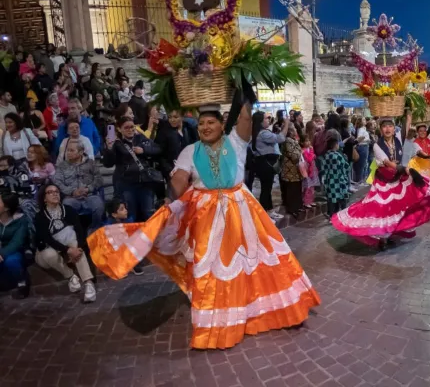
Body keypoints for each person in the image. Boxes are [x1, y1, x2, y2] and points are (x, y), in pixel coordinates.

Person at [87, 95, 321, 350]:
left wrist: (240, 77)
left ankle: (262, 310)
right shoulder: (190, 151)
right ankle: (217, 321)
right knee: (209, 268)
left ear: (222, 124)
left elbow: (244, 115)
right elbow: (179, 180)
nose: (206, 127)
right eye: (201, 124)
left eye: (211, 122)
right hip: (206, 216)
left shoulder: (236, 141)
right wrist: (168, 201)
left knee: (255, 262)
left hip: (242, 209)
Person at [331, 117, 430, 250]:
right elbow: (387, 162)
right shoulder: (377, 145)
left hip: (397, 179)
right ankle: (382, 238)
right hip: (383, 183)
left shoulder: (399, 140)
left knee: (397, 207)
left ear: (394, 129)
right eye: (384, 127)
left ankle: (390, 234)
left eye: (390, 126)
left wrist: (409, 113)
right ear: (381, 130)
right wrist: (405, 169)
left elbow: (407, 126)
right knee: (381, 209)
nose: (387, 129)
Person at [34, 182, 96, 303]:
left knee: (74, 242)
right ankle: (71, 276)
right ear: (44, 198)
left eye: (56, 192)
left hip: (70, 244)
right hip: (48, 249)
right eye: (50, 192)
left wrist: (78, 248)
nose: (54, 194)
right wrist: (67, 250)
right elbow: (47, 239)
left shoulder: (69, 210)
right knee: (49, 254)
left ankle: (88, 283)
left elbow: (79, 230)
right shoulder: (40, 216)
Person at [102, 116, 161, 222]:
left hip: (145, 182)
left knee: (149, 213)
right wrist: (109, 148)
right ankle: (132, 238)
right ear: (119, 129)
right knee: (130, 214)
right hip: (127, 184)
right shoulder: (116, 143)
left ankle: (151, 237)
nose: (130, 130)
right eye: (126, 128)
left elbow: (157, 149)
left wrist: (143, 150)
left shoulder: (140, 138)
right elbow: (108, 164)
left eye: (132, 127)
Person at [54, 140, 104, 233]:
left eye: (71, 150)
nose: (68, 153)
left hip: (90, 196)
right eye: (67, 150)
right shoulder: (62, 165)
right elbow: (58, 182)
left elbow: (99, 179)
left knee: (98, 205)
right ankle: (75, 232)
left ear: (81, 152)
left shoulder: (91, 163)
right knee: (67, 206)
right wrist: (72, 191)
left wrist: (88, 189)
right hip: (71, 197)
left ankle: (94, 229)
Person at [249, 111, 286, 219]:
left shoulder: (258, 132)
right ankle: (265, 212)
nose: (268, 120)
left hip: (262, 163)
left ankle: (269, 210)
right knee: (266, 189)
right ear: (260, 121)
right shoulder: (263, 133)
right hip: (265, 164)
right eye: (266, 118)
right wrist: (286, 126)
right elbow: (280, 139)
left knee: (267, 188)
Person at [156, 109, 199, 198]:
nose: (172, 120)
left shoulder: (189, 129)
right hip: (172, 171)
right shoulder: (164, 132)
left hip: (190, 171)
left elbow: (196, 146)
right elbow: (160, 154)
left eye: (175, 117)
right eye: (170, 117)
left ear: (182, 117)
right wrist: (169, 170)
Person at [0, 192, 30, 299]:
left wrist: (2, 254)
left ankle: (22, 283)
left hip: (16, 250)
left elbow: (17, 241)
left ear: (7, 207)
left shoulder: (21, 220)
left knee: (11, 261)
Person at [101, 198, 143, 275]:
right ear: (114, 214)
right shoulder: (108, 226)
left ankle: (132, 264)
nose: (125, 210)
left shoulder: (129, 219)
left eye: (125, 208)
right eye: (122, 209)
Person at [321, 137, 350, 217]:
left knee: (331, 199)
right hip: (339, 180)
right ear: (335, 145)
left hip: (329, 180)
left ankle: (331, 215)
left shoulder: (326, 156)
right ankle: (344, 215)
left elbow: (323, 169)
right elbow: (346, 167)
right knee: (342, 198)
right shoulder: (338, 156)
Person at [280, 124, 304, 218]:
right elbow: (293, 155)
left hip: (296, 170)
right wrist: (301, 152)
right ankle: (292, 208)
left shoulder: (293, 140)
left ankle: (297, 206)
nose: (296, 130)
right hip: (290, 170)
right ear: (290, 131)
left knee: (297, 188)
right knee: (292, 190)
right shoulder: (288, 141)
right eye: (294, 129)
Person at [301, 135, 319, 208]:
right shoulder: (303, 150)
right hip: (307, 170)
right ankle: (306, 201)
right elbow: (309, 158)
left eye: (308, 141)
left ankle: (311, 200)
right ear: (302, 142)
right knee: (307, 187)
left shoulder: (310, 149)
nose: (308, 142)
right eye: (306, 141)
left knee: (312, 187)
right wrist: (312, 153)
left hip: (312, 170)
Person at [353, 116, 370, 185]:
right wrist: (367, 140)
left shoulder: (363, 129)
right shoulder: (360, 129)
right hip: (362, 147)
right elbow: (359, 139)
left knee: (363, 165)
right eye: (363, 119)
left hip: (364, 147)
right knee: (361, 165)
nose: (365, 120)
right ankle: (359, 181)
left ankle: (361, 180)